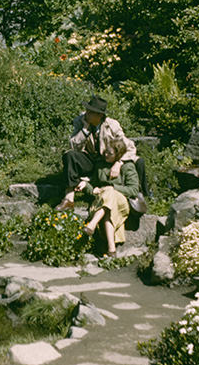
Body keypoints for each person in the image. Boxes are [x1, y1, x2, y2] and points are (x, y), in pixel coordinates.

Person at [57, 95, 141, 256]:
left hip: (108, 160)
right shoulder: (81, 121)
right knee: (69, 155)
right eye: (87, 110)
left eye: (91, 112)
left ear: (100, 115)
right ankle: (69, 198)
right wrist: (85, 129)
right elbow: (73, 144)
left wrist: (119, 163)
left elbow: (128, 147)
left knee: (134, 167)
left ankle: (101, 235)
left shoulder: (112, 125)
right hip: (90, 159)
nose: (87, 113)